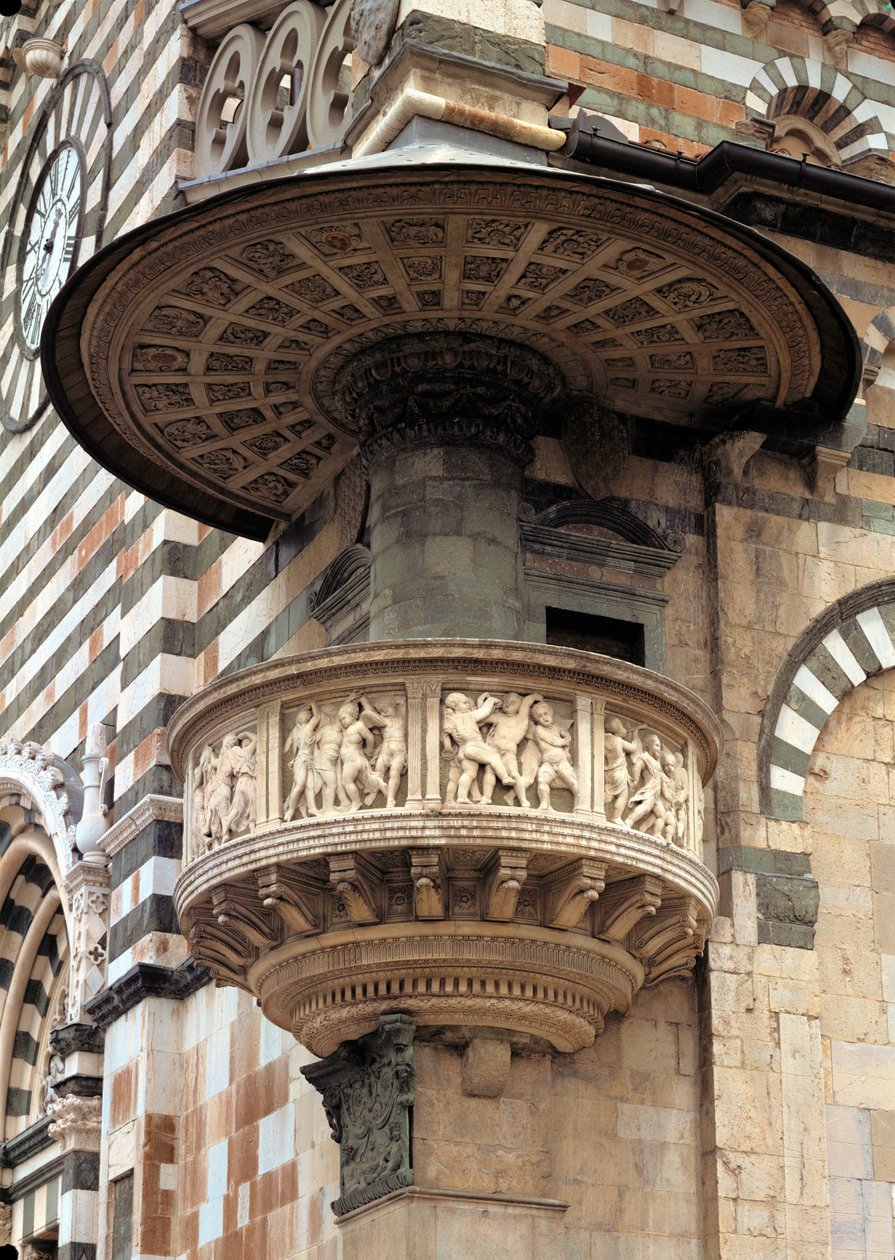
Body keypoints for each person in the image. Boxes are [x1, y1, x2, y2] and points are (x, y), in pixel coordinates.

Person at [442, 692, 516, 804]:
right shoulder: (469, 716)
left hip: (462, 751)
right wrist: (491, 701)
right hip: (474, 746)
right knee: (494, 757)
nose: (467, 705)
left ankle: (461, 797)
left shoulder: (451, 720)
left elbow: (446, 737)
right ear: (454, 706)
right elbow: (484, 711)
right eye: (464, 703)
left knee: (469, 773)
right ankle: (504, 777)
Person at [480, 692, 542, 806]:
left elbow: (525, 704)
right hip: (494, 750)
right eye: (505, 701)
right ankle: (486, 797)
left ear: (519, 705)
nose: (508, 703)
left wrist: (534, 697)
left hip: (508, 751)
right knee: (489, 771)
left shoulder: (521, 718)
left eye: (512, 702)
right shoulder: (499, 717)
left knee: (514, 773)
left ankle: (522, 799)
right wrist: (482, 702)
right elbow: (482, 717)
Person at [529, 700, 579, 811]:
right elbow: (553, 741)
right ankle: (544, 804)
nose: (544, 718)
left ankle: (578, 806)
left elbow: (568, 737)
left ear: (551, 713)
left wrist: (566, 749)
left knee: (573, 782)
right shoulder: (539, 730)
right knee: (542, 780)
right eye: (540, 716)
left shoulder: (557, 727)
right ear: (537, 720)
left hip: (562, 762)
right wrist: (564, 741)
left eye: (545, 714)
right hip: (548, 763)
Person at [283, 702, 322, 820]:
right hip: (302, 760)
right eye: (309, 717)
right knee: (300, 785)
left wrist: (293, 759)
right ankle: (290, 811)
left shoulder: (299, 731)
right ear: (307, 719)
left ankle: (312, 808)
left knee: (309, 786)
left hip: (307, 760)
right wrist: (312, 703)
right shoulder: (308, 728)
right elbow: (318, 715)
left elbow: (296, 749)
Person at [604, 717, 638, 822]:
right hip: (619, 772)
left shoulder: (603, 739)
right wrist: (636, 735)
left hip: (609, 771)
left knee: (608, 796)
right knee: (623, 795)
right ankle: (616, 817)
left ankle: (595, 805)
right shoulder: (619, 741)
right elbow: (633, 748)